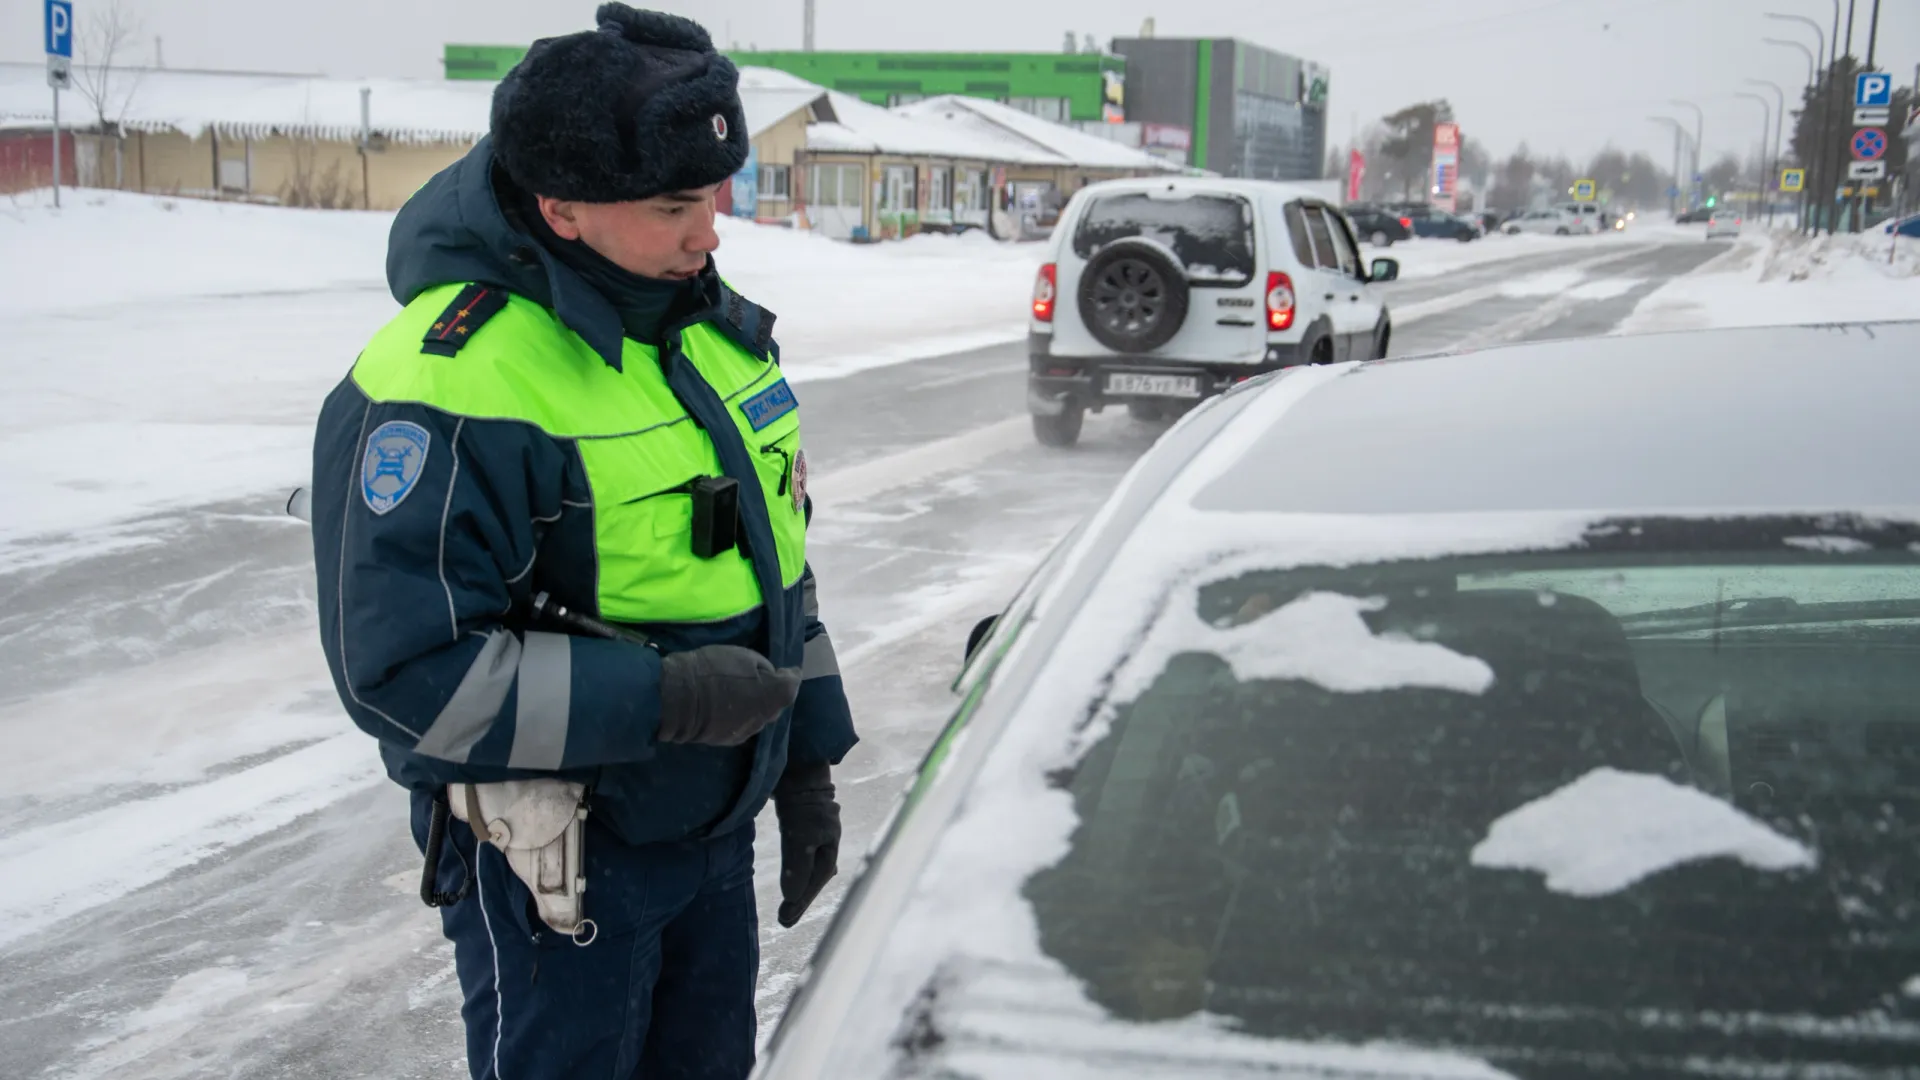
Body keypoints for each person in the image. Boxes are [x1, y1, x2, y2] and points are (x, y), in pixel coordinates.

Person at [307, 6, 857, 1077]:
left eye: (713, 196)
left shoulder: (704, 331)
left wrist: (805, 760)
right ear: (559, 207)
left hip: (710, 833)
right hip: (556, 862)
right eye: (672, 206)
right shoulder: (451, 377)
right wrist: (662, 700)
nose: (709, 233)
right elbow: (402, 673)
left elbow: (775, 568)